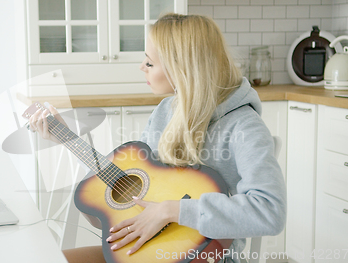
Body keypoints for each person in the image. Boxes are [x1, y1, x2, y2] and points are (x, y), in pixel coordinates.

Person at [28, 13, 286, 263]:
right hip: (144, 249)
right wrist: (67, 139)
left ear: (181, 69)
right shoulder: (166, 110)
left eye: (150, 63)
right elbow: (133, 184)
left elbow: (269, 211)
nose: (142, 67)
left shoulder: (245, 126)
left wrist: (171, 210)